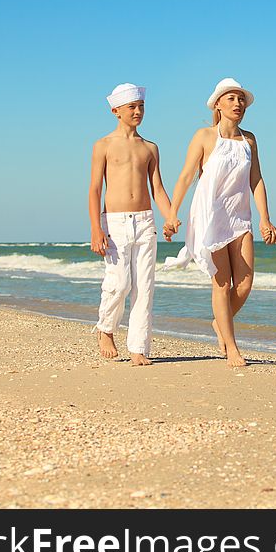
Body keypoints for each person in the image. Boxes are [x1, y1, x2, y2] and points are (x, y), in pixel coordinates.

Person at [163, 78, 276, 367]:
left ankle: (220, 323)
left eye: (241, 100)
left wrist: (266, 218)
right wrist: (172, 213)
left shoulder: (249, 139)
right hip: (210, 215)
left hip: (240, 215)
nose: (237, 104)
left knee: (244, 283)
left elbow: (256, 179)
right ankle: (231, 347)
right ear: (218, 104)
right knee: (221, 283)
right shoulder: (204, 136)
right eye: (231, 99)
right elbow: (186, 176)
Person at [88, 83, 172, 366]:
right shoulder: (103, 145)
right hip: (114, 222)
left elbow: (157, 188)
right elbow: (95, 190)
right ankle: (106, 328)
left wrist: (169, 216)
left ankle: (138, 347)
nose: (138, 112)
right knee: (120, 282)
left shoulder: (150, 148)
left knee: (144, 287)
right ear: (115, 111)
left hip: (145, 221)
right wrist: (95, 228)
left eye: (141, 107)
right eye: (132, 107)